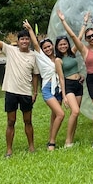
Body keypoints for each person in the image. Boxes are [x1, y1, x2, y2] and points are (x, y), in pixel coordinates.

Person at [0, 18, 39, 158]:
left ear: (29, 41)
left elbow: (35, 75)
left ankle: (31, 147)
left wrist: (35, 92)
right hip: (11, 91)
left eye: (26, 39)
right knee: (11, 121)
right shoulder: (11, 50)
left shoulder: (33, 56)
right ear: (18, 41)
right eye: (22, 39)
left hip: (25, 93)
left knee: (28, 121)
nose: (24, 41)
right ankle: (9, 150)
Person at [57, 10, 93, 149]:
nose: (91, 38)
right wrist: (64, 20)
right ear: (86, 40)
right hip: (92, 80)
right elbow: (73, 35)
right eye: (89, 37)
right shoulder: (83, 49)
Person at [23, 20, 65, 151]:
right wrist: (30, 29)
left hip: (58, 88)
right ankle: (51, 143)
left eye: (49, 46)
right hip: (48, 88)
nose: (48, 49)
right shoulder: (41, 57)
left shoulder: (58, 57)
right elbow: (35, 43)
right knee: (61, 114)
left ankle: (51, 138)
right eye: (45, 47)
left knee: (54, 115)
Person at [54, 30, 84, 148]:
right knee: (75, 111)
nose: (63, 46)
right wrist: (64, 96)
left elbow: (79, 38)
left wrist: (84, 23)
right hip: (68, 85)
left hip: (78, 84)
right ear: (57, 46)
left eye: (65, 44)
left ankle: (72, 137)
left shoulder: (72, 52)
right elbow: (61, 78)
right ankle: (67, 140)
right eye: (60, 44)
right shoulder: (58, 60)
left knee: (75, 113)